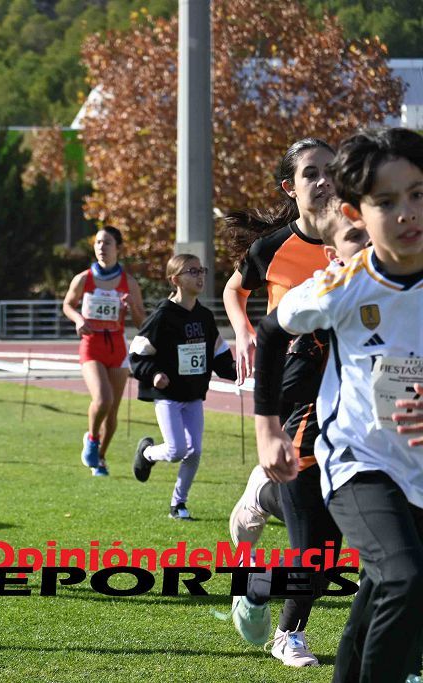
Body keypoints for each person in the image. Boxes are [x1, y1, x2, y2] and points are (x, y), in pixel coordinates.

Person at [254, 128, 423, 683]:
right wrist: (268, 428)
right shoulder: (346, 285)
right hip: (358, 461)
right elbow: (272, 330)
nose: (406, 213)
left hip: (419, 467)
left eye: (418, 194)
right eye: (386, 202)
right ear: (357, 212)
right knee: (403, 577)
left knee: (382, 587)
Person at [226, 196, 370, 667]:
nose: (368, 247)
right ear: (333, 254)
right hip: (313, 438)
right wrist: (270, 430)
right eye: (355, 238)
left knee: (384, 553)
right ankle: (289, 634)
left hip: (378, 446)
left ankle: (261, 564)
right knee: (317, 558)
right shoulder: (325, 303)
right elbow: (272, 343)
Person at [225, 138, 336, 548]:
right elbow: (233, 291)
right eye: (311, 173)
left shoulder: (362, 238)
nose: (324, 181)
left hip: (351, 381)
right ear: (290, 187)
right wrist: (243, 331)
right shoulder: (270, 249)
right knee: (306, 493)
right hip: (293, 382)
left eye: (331, 170)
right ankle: (261, 495)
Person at [130, 254, 237, 520]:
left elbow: (219, 354)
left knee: (195, 450)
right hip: (167, 395)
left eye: (202, 270)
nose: (200, 276)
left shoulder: (204, 316)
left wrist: (238, 372)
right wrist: (154, 374)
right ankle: (147, 452)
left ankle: (178, 504)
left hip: (192, 395)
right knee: (177, 450)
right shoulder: (162, 316)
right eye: (192, 271)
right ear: (175, 279)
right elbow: (136, 354)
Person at [61, 227, 147, 476]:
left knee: (112, 412)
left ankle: (100, 458)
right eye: (98, 242)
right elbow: (67, 304)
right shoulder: (83, 278)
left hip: (117, 346)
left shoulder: (128, 283)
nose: (101, 247)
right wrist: (77, 319)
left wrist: (132, 306)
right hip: (91, 344)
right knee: (103, 399)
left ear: (117, 247)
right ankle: (91, 438)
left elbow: (143, 323)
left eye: (107, 242)